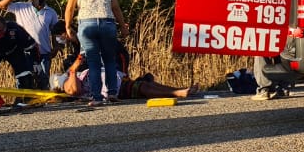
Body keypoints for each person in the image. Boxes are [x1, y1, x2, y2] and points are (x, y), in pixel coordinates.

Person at [63, 0, 128, 107]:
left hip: (87, 25)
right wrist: (123, 27)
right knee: (110, 60)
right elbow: (115, 7)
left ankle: (97, 97)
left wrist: (67, 26)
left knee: (93, 63)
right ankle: (112, 93)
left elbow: (70, 8)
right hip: (108, 23)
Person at [54, 44, 197, 101]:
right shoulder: (68, 83)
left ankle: (179, 90)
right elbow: (74, 90)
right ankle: (177, 93)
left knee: (145, 84)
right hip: (114, 89)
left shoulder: (79, 75)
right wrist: (72, 71)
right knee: (143, 88)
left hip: (117, 80)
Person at [0, 0, 60, 82]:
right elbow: (1, 5)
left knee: (43, 82)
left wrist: (55, 47)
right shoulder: (21, 7)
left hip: (44, 52)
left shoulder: (51, 12)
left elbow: (56, 31)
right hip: (24, 53)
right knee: (24, 81)